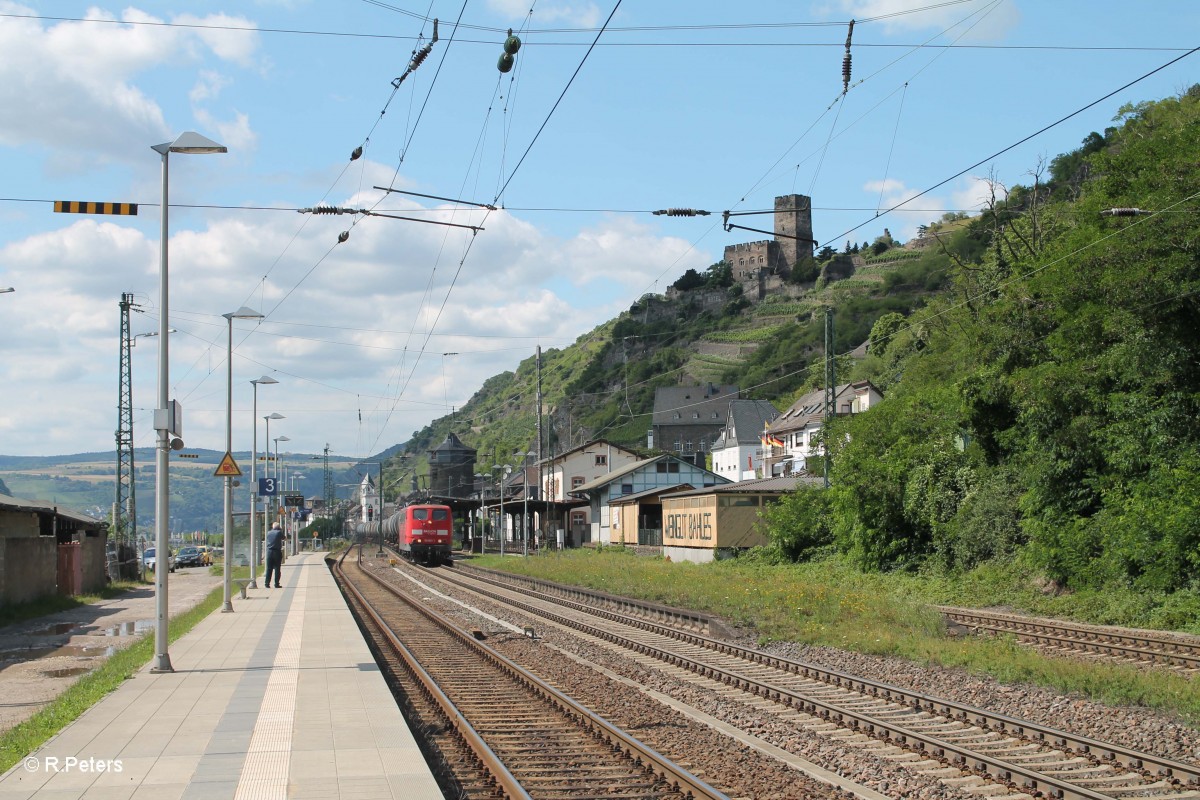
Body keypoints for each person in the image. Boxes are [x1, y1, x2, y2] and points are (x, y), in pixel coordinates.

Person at [265, 522, 285, 588]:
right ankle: (276, 584)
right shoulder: (279, 532)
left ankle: (267, 583)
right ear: (278, 527)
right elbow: (284, 538)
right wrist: (281, 530)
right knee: (277, 568)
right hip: (276, 552)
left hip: (269, 552)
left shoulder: (268, 532)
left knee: (269, 568)